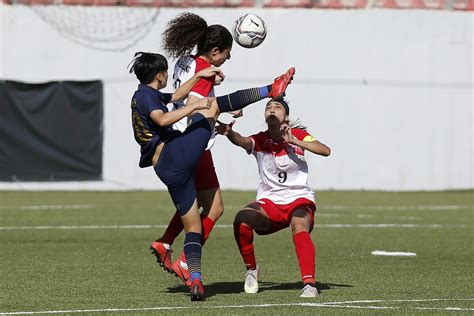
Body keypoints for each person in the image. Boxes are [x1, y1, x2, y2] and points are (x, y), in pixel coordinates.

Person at [129, 51, 295, 301]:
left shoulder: (145, 93)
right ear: (159, 74)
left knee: (194, 226)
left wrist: (199, 76)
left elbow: (175, 96)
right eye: (165, 72)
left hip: (168, 168)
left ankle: (195, 279)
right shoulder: (145, 96)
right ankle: (271, 89)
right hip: (175, 153)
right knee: (213, 106)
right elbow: (162, 119)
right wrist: (194, 106)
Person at [149, 12, 240, 287]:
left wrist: (217, 108)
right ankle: (187, 261)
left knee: (195, 204)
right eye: (226, 53)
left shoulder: (185, 61)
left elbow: (193, 99)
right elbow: (195, 105)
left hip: (177, 140)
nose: (227, 58)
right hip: (193, 144)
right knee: (214, 209)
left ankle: (165, 242)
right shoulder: (205, 70)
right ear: (214, 51)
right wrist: (218, 106)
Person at [215, 98, 330, 298]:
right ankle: (252, 270)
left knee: (299, 224)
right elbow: (243, 141)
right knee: (241, 219)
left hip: (299, 199)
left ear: (286, 116)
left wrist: (294, 140)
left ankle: (309, 284)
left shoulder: (299, 135)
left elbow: (325, 150)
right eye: (268, 107)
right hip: (270, 203)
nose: (271, 109)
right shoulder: (261, 140)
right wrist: (229, 133)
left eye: (277, 107)